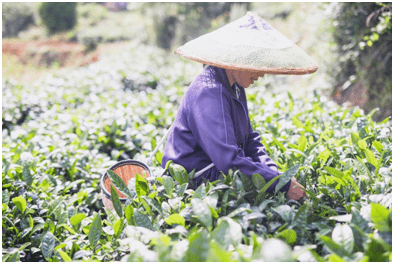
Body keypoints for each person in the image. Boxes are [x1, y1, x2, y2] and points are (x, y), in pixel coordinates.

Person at [162, 12, 318, 201]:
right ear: (238, 59)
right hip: (194, 181)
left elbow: (250, 140)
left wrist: (275, 173)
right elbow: (228, 161)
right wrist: (281, 184)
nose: (262, 73)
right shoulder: (209, 93)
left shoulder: (234, 86)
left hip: (217, 170)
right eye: (257, 64)